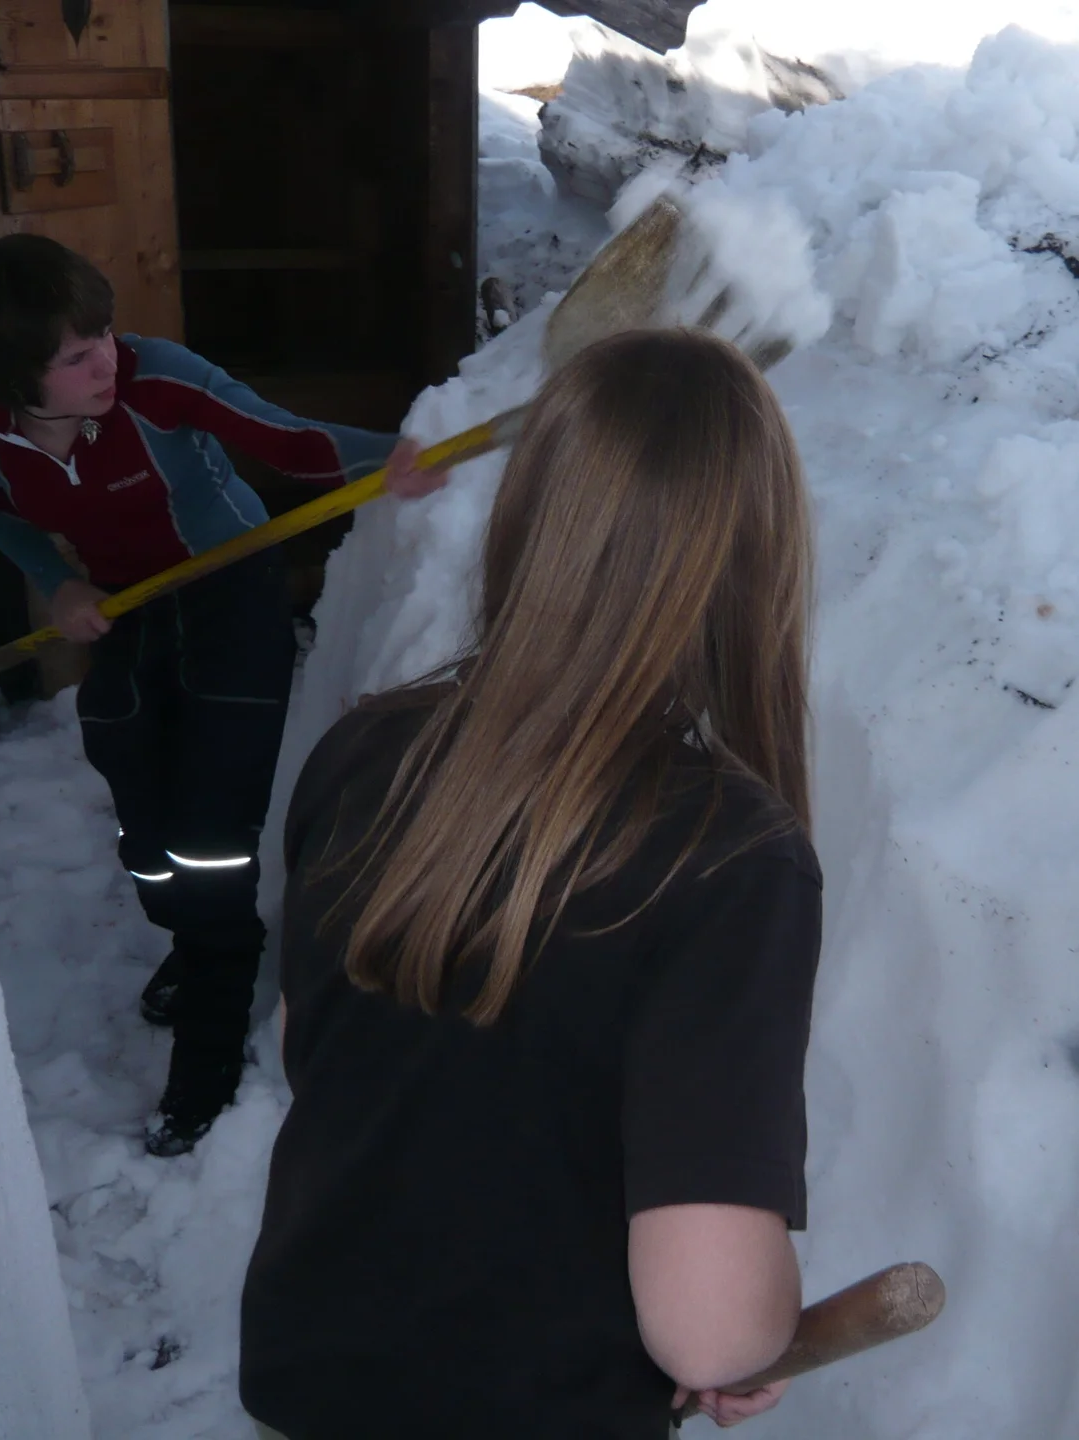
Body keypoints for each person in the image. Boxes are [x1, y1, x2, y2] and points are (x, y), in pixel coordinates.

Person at [239, 328, 821, 1438]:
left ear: (532, 522)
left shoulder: (361, 753)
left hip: (318, 1379)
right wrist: (754, 1333)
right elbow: (707, 1333)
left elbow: (302, 1043)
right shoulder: (733, 858)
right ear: (756, 563)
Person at [0, 233, 447, 1157]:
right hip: (133, 611)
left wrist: (396, 459)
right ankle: (189, 936)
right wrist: (58, 584)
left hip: (230, 590)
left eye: (105, 336)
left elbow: (284, 440)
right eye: (77, 355)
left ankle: (209, 1038)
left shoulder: (158, 380)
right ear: (17, 377)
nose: (108, 362)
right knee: (138, 800)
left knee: (210, 828)